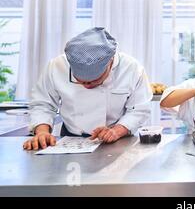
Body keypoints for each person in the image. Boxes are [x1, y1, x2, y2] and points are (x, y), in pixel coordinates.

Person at [23, 27, 152, 150]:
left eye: (95, 80)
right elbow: (43, 104)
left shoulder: (132, 69)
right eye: (80, 81)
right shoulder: (56, 67)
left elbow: (139, 109)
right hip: (70, 139)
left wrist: (117, 131)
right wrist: (42, 132)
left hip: (118, 140)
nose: (87, 85)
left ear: (110, 63)